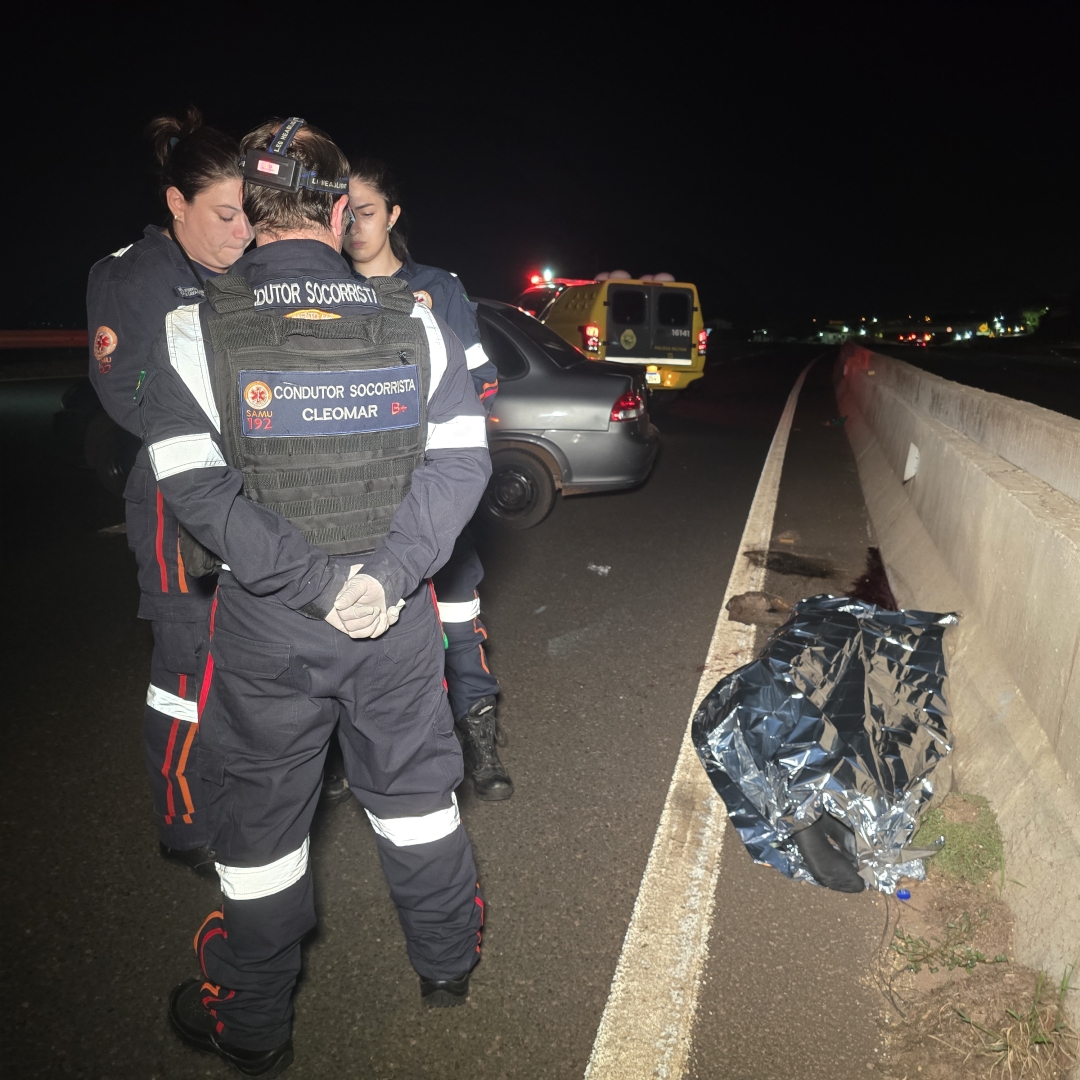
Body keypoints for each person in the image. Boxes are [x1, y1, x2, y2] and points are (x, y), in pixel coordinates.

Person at [139, 117, 489, 1076]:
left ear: (250, 210)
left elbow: (196, 492)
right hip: (395, 620)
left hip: (269, 630)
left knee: (261, 830)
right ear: (341, 209)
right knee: (418, 801)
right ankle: (447, 966)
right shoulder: (414, 316)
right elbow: (463, 467)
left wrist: (319, 584)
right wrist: (382, 578)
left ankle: (254, 1024)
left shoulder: (188, 328)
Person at [86, 109, 253, 877]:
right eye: (225, 214)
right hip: (175, 505)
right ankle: (186, 821)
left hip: (252, 499)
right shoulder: (133, 277)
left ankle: (248, 789)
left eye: (251, 213)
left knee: (252, 658)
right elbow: (131, 392)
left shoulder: (244, 273)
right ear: (176, 204)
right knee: (189, 670)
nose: (242, 231)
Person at [345, 159, 512, 801]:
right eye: (344, 211)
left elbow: (481, 382)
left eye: (368, 209)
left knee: (459, 621)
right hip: (360, 505)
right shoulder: (326, 289)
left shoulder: (438, 287)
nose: (355, 223)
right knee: (361, 633)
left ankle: (480, 744)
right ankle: (345, 757)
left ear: (391, 214)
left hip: (437, 497)